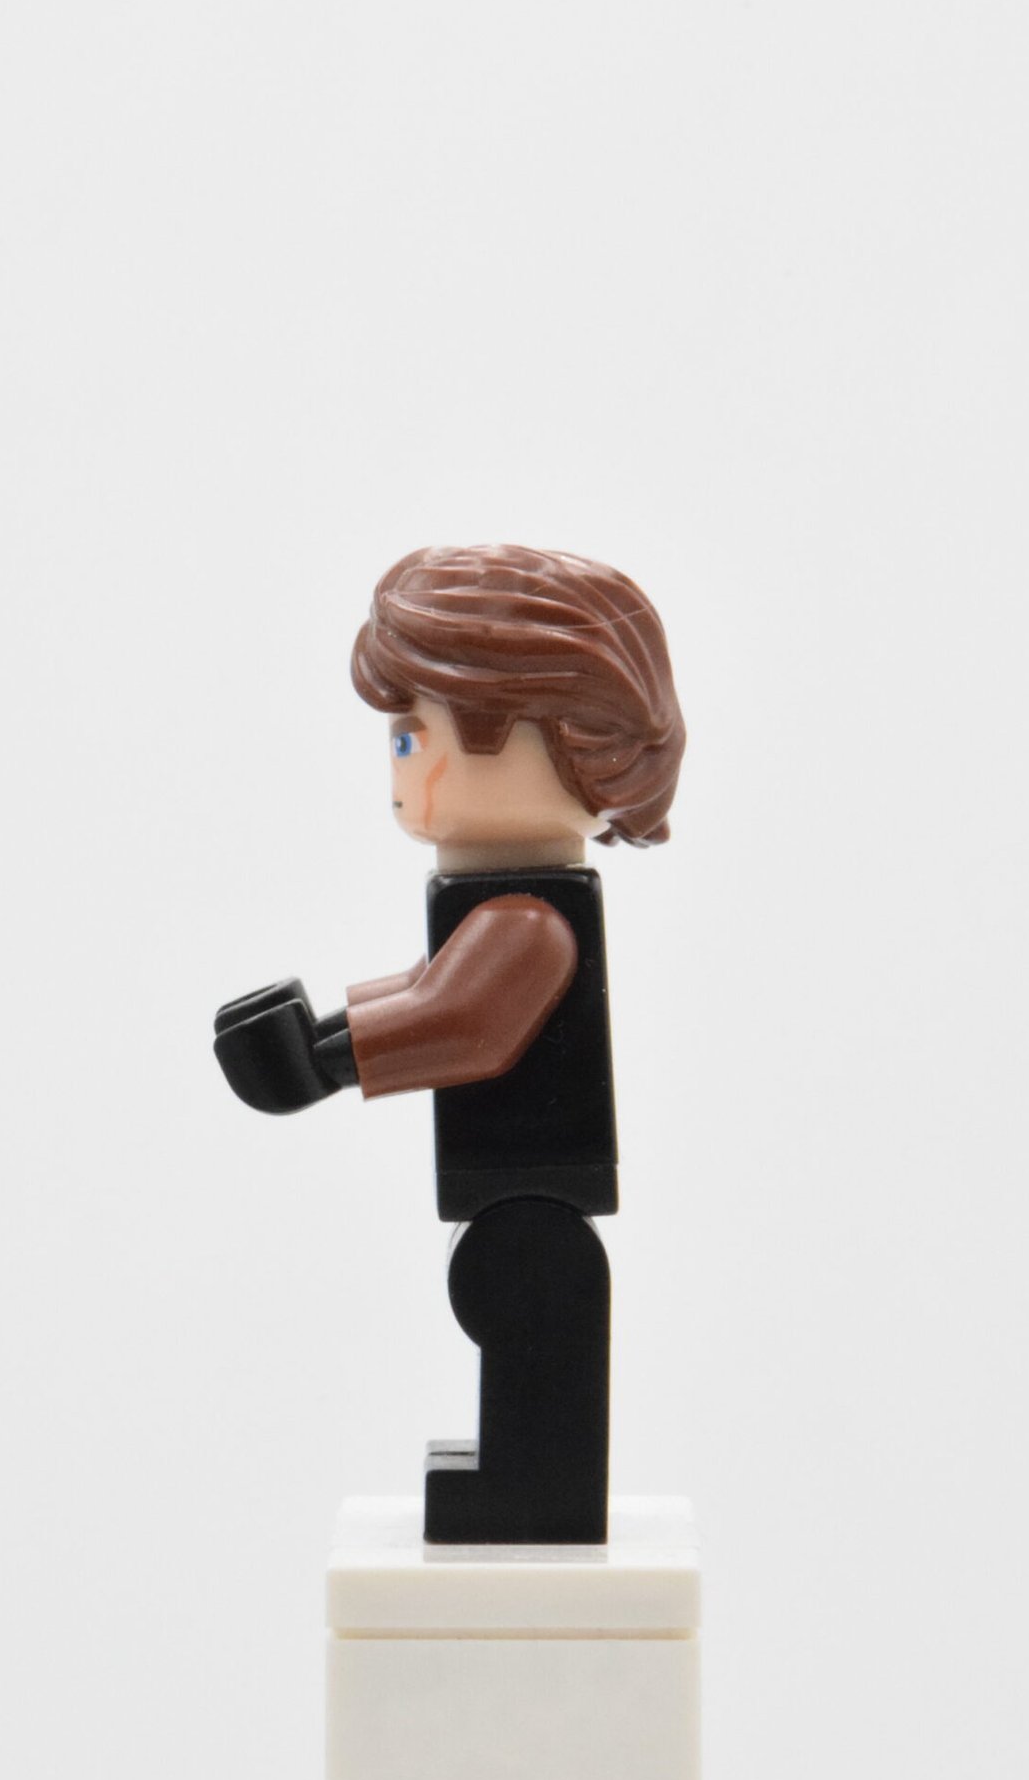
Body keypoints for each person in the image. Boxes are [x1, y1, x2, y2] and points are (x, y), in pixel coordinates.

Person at [214, 543, 685, 1543]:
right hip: (522, 1196)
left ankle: (530, 1492)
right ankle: (520, 1480)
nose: (406, 772)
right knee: (516, 1311)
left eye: (420, 737)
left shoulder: (530, 921)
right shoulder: (499, 908)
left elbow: (463, 1022)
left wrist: (325, 1062)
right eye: (398, 740)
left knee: (526, 1313)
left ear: (566, 743)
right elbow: (433, 989)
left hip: (536, 1202)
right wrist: (324, 1032)